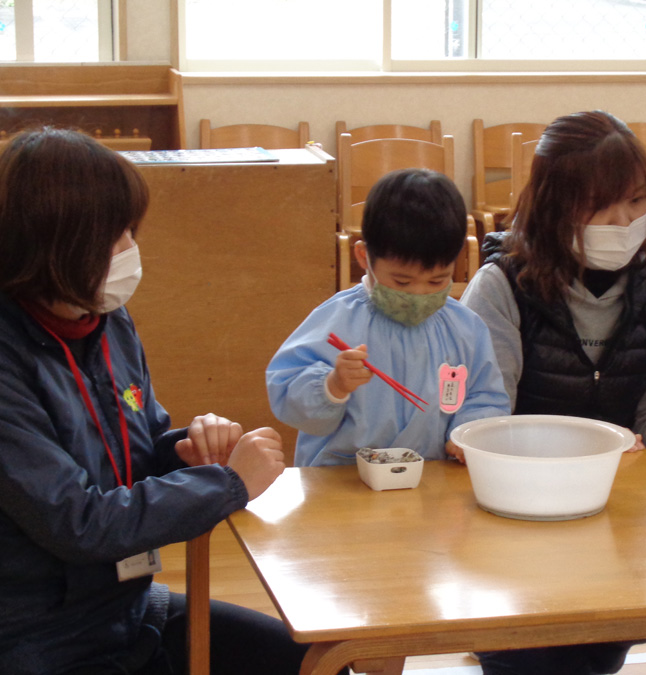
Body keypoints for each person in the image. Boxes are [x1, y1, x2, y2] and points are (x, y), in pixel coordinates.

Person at [0, 128, 317, 675]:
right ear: (55, 245)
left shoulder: (104, 318)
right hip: (43, 638)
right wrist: (229, 484)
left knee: (311, 662)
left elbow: (137, 446)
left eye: (130, 230)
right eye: (115, 235)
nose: (130, 249)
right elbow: (80, 522)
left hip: (128, 607)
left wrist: (187, 451)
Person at [460, 110, 646, 675]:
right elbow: (484, 419)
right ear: (555, 206)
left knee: (598, 652)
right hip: (520, 511)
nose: (623, 221)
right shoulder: (500, 286)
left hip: (615, 513)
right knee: (530, 655)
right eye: (599, 205)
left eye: (636, 201)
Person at [266, 168, 510, 467]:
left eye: (437, 281)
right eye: (402, 282)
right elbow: (287, 392)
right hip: (342, 478)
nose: (419, 293)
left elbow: (485, 397)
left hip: (429, 478)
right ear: (363, 257)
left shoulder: (465, 328)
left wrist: (466, 434)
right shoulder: (336, 321)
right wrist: (333, 386)